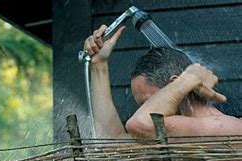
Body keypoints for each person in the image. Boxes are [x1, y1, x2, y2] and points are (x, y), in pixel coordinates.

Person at [83, 24, 242, 139]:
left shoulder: (226, 129)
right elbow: (113, 144)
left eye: (147, 102)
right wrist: (99, 65)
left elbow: (139, 124)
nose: (144, 110)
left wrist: (190, 77)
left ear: (176, 85)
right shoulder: (169, 134)